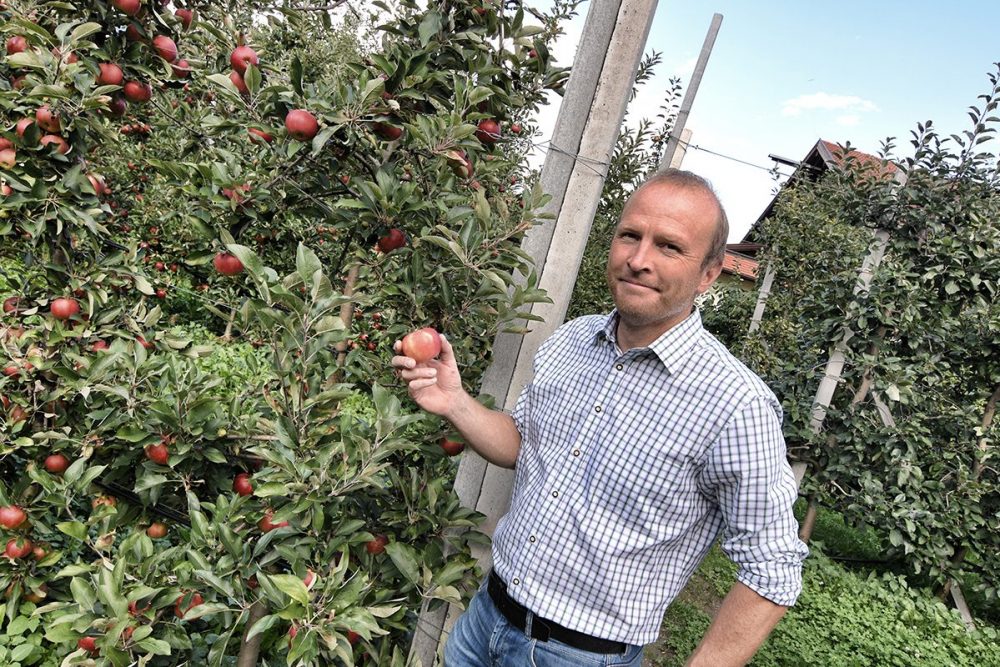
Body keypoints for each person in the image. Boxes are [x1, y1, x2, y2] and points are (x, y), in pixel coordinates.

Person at [392, 169, 808, 666]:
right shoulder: (572, 340)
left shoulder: (736, 405)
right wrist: (455, 401)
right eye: (630, 235)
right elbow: (524, 445)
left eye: (669, 247)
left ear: (708, 274)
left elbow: (772, 567)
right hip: (485, 621)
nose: (638, 259)